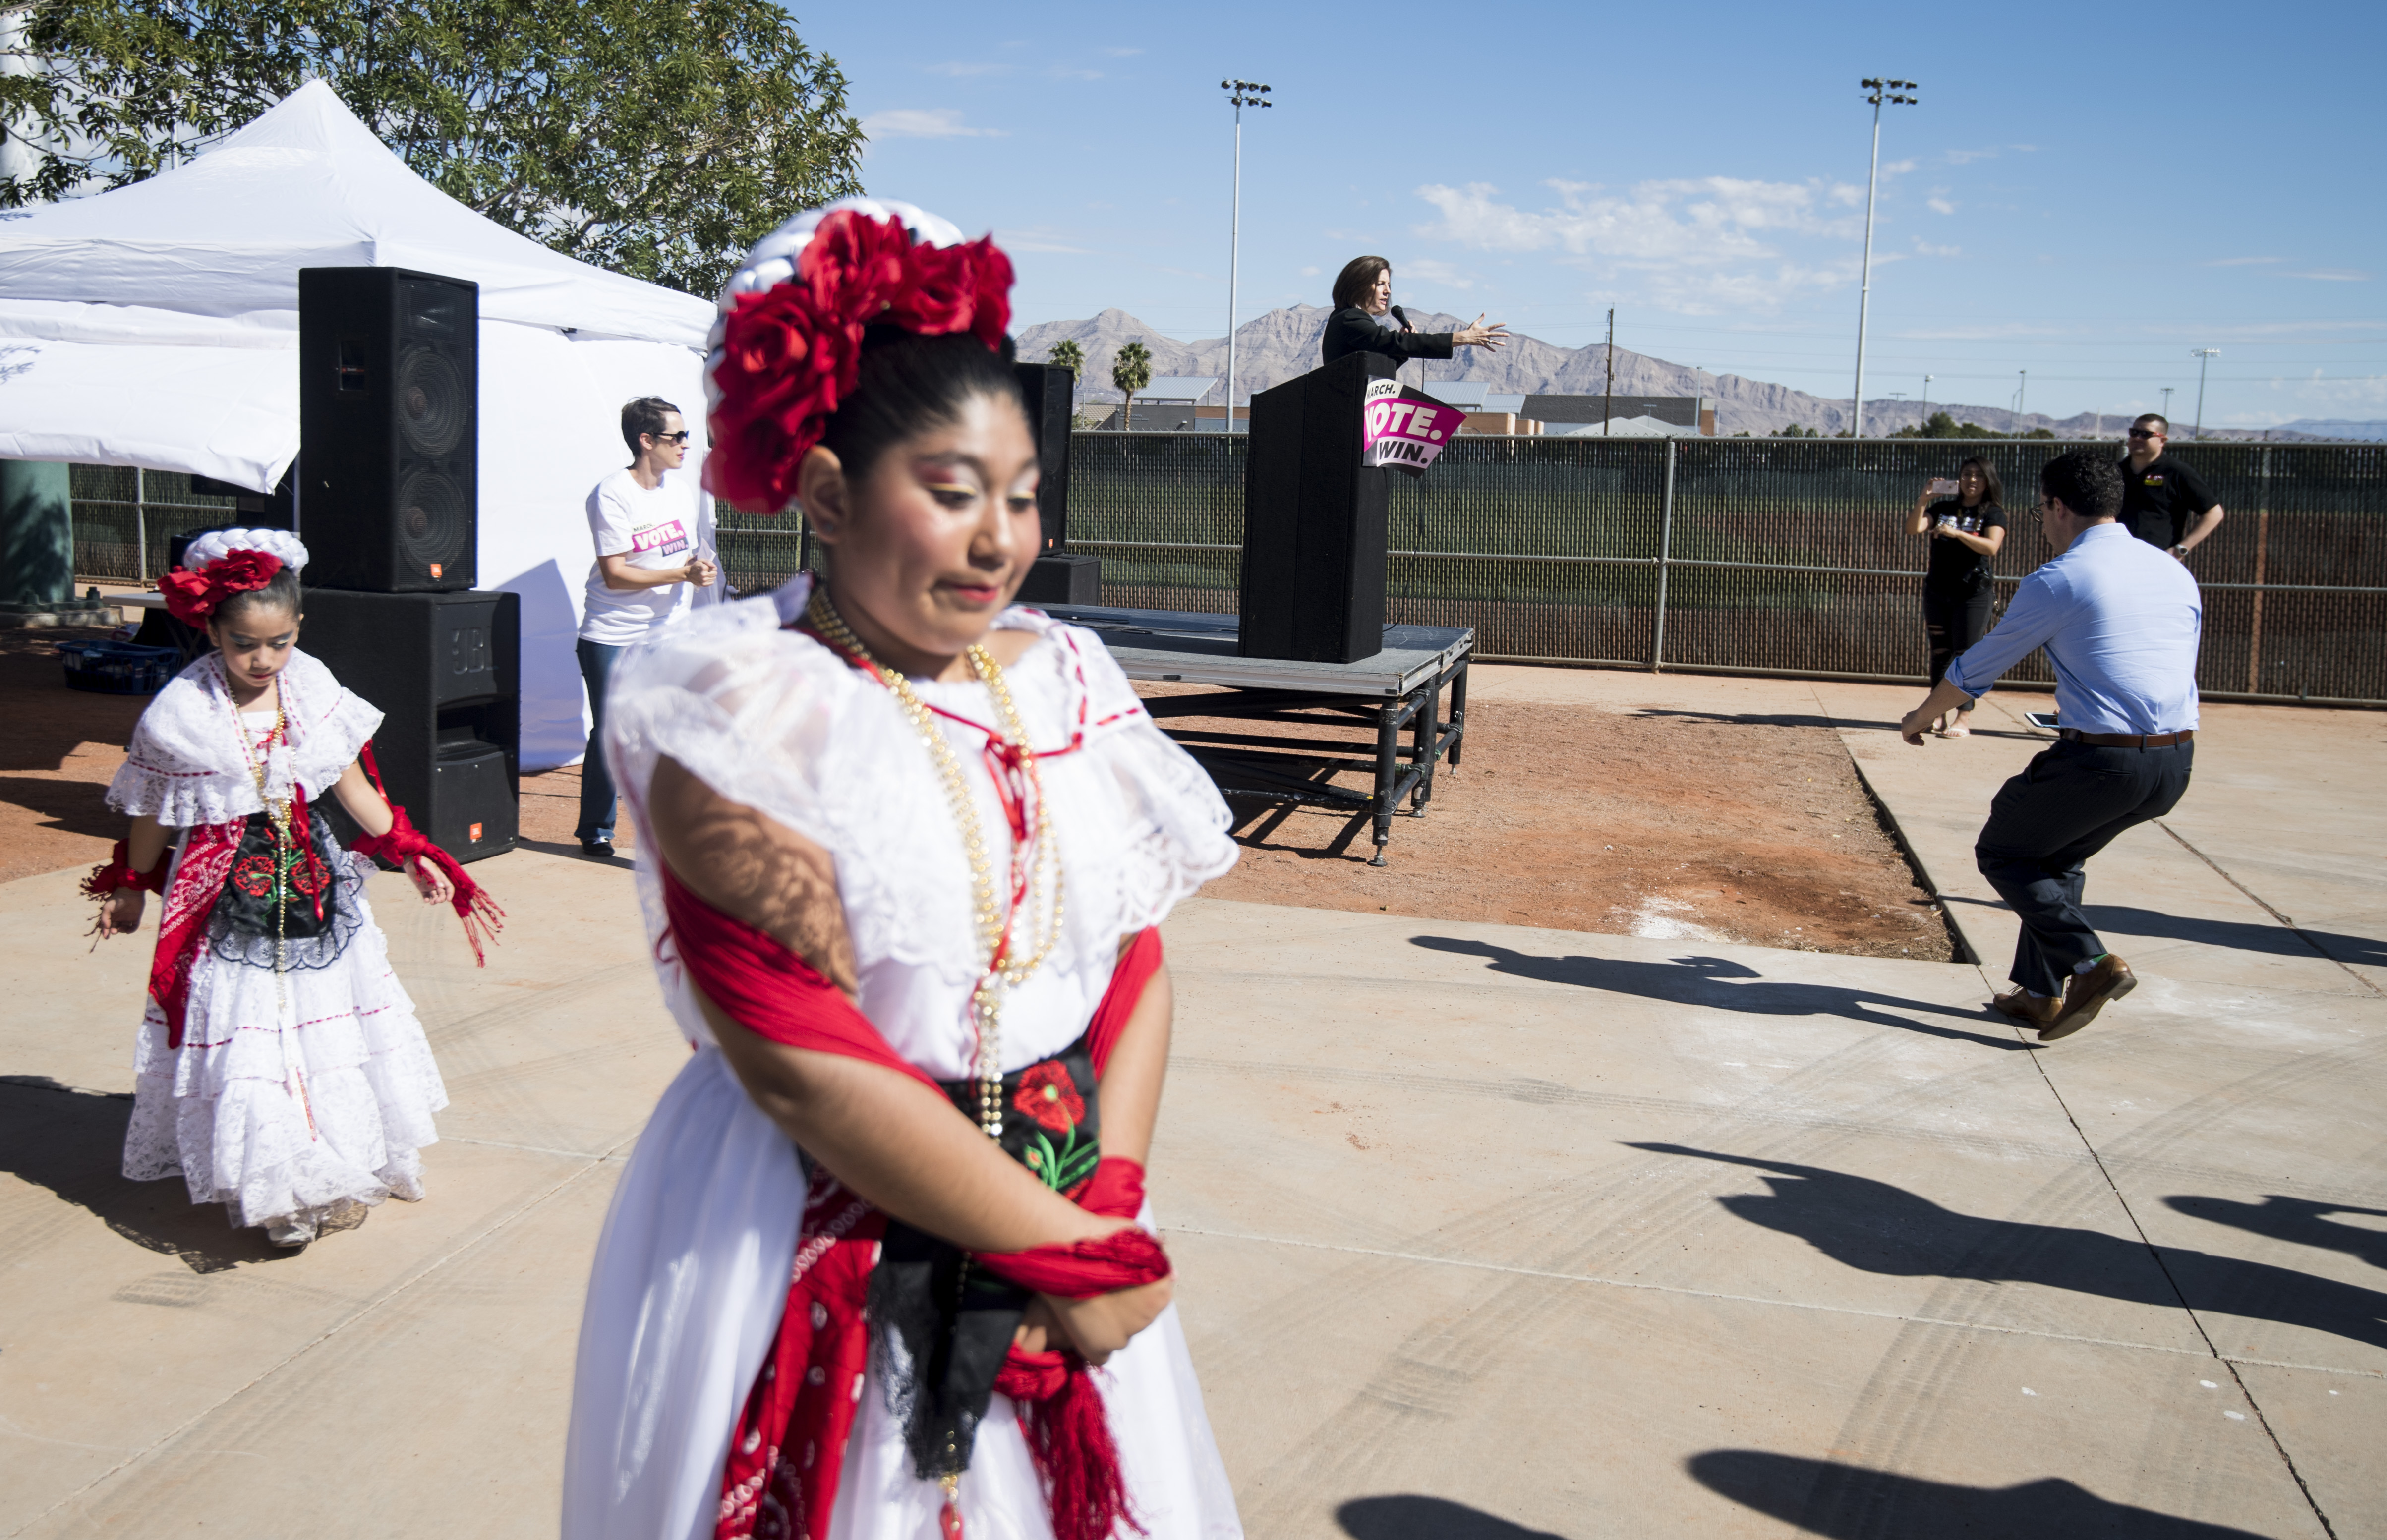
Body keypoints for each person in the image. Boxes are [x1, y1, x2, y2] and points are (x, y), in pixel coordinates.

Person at [562, 198, 1244, 1540]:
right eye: (949, 494)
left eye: (1022, 494)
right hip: (815, 1214)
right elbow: (794, 1048)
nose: (998, 538)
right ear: (823, 491)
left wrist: (1104, 1201)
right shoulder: (730, 704)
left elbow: (1129, 952)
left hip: (1064, 1187)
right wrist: (1061, 1250)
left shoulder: (1061, 676)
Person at [89, 530, 501, 1249]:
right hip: (224, 900)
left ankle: (332, 1161)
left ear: (298, 627)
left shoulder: (310, 688)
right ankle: (277, 1191)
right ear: (211, 629)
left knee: (322, 1031)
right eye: (245, 643)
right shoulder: (180, 714)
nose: (263, 659)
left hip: (314, 890)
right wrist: (128, 884)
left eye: (278, 641)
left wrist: (411, 852)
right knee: (255, 1040)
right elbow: (153, 809)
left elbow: (355, 788)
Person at [1898, 451, 2201, 1042]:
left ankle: (2091, 964)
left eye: (2042, 509)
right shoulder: (2173, 571)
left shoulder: (2061, 577)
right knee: (2055, 858)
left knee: (2006, 850)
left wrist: (1919, 717)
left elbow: (1975, 668)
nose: (2041, 520)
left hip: (2104, 760)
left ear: (2059, 506)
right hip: (2175, 761)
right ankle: (2041, 994)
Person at [575, 396, 719, 859]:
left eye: (685, 435)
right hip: (612, 635)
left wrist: (697, 566)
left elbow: (683, 555)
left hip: (668, 633)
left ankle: (668, 832)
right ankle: (597, 828)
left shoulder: (679, 492)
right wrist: (682, 575)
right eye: (676, 436)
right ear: (646, 440)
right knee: (614, 731)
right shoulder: (611, 494)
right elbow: (616, 574)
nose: (685, 445)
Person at [1905, 456, 2009, 738]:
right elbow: (1913, 528)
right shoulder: (1943, 509)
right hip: (1938, 592)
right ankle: (1938, 715)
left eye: (1978, 475)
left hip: (1972, 594)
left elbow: (1991, 547)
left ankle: (1964, 716)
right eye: (1966, 474)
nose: (1971, 480)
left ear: (1988, 481)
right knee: (1941, 654)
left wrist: (1957, 533)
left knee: (1967, 655)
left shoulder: (1993, 512)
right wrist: (1924, 499)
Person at [1320, 254, 1508, 368]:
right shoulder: (1349, 319)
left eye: (1389, 284)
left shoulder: (1347, 319)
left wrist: (1401, 351)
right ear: (1359, 285)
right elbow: (1393, 341)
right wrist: (1463, 338)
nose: (1388, 291)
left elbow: (1374, 374)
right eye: (1380, 284)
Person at [2117, 413, 2225, 560]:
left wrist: (2180, 549)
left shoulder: (2177, 472)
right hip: (2118, 557)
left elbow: (2214, 513)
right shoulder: (2115, 472)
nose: (2137, 438)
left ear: (2162, 440)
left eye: (2146, 434)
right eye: (2134, 433)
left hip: (2158, 560)